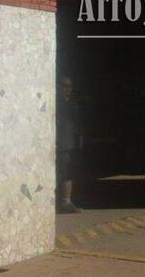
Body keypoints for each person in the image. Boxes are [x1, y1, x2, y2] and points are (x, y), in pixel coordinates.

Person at [56, 75, 82, 213]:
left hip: (70, 144)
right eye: (64, 86)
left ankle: (66, 201)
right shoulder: (55, 103)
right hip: (59, 144)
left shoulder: (72, 104)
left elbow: (78, 123)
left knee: (68, 173)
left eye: (69, 86)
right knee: (60, 173)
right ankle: (59, 202)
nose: (67, 89)